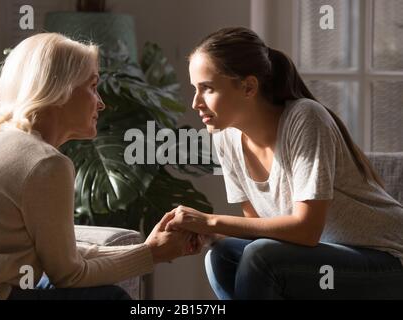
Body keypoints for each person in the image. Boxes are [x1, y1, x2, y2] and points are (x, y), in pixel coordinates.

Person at [0, 33, 201, 300]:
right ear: (60, 89)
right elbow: (69, 275)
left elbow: (64, 256)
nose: (101, 102)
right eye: (93, 86)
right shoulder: (44, 163)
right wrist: (153, 254)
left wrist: (148, 249)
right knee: (110, 299)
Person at [165, 27, 403, 299]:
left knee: (260, 256)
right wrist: (208, 234)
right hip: (324, 258)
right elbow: (257, 226)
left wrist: (210, 221)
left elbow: (306, 230)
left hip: (388, 261)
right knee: (222, 255)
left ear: (249, 87)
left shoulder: (305, 118)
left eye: (207, 89)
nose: (196, 102)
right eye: (195, 89)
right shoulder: (225, 136)